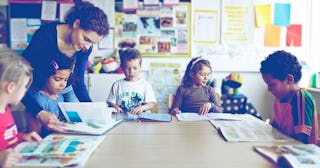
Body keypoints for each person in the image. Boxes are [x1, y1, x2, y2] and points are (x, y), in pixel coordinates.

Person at [21, 1, 109, 133]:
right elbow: (21, 76)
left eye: (92, 43)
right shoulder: (45, 36)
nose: (87, 47)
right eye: (86, 39)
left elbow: (78, 80)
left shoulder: (85, 48)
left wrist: (93, 109)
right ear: (76, 24)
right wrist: (38, 111)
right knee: (44, 130)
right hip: (41, 89)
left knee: (73, 128)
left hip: (68, 88)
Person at [260, 50, 319, 144]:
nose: (268, 89)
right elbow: (275, 127)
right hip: (282, 146)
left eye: (271, 85)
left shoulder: (301, 99)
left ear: (289, 80)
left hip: (300, 154)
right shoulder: (280, 98)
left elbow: (301, 142)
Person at [0, 49, 42, 167]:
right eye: (24, 86)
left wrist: (22, 137)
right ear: (11, 87)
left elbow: (7, 138)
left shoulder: (6, 109)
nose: (26, 91)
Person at [27, 55, 75, 137]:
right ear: (45, 76)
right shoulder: (37, 100)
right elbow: (35, 134)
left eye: (65, 80)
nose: (62, 84)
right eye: (57, 79)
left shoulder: (60, 94)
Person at [107, 43, 156, 115]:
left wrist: (142, 107)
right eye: (127, 68)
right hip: (122, 120)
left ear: (140, 67)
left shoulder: (145, 85)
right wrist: (115, 107)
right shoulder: (117, 85)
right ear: (122, 68)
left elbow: (152, 103)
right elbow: (110, 102)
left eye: (135, 68)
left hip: (141, 121)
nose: (131, 71)